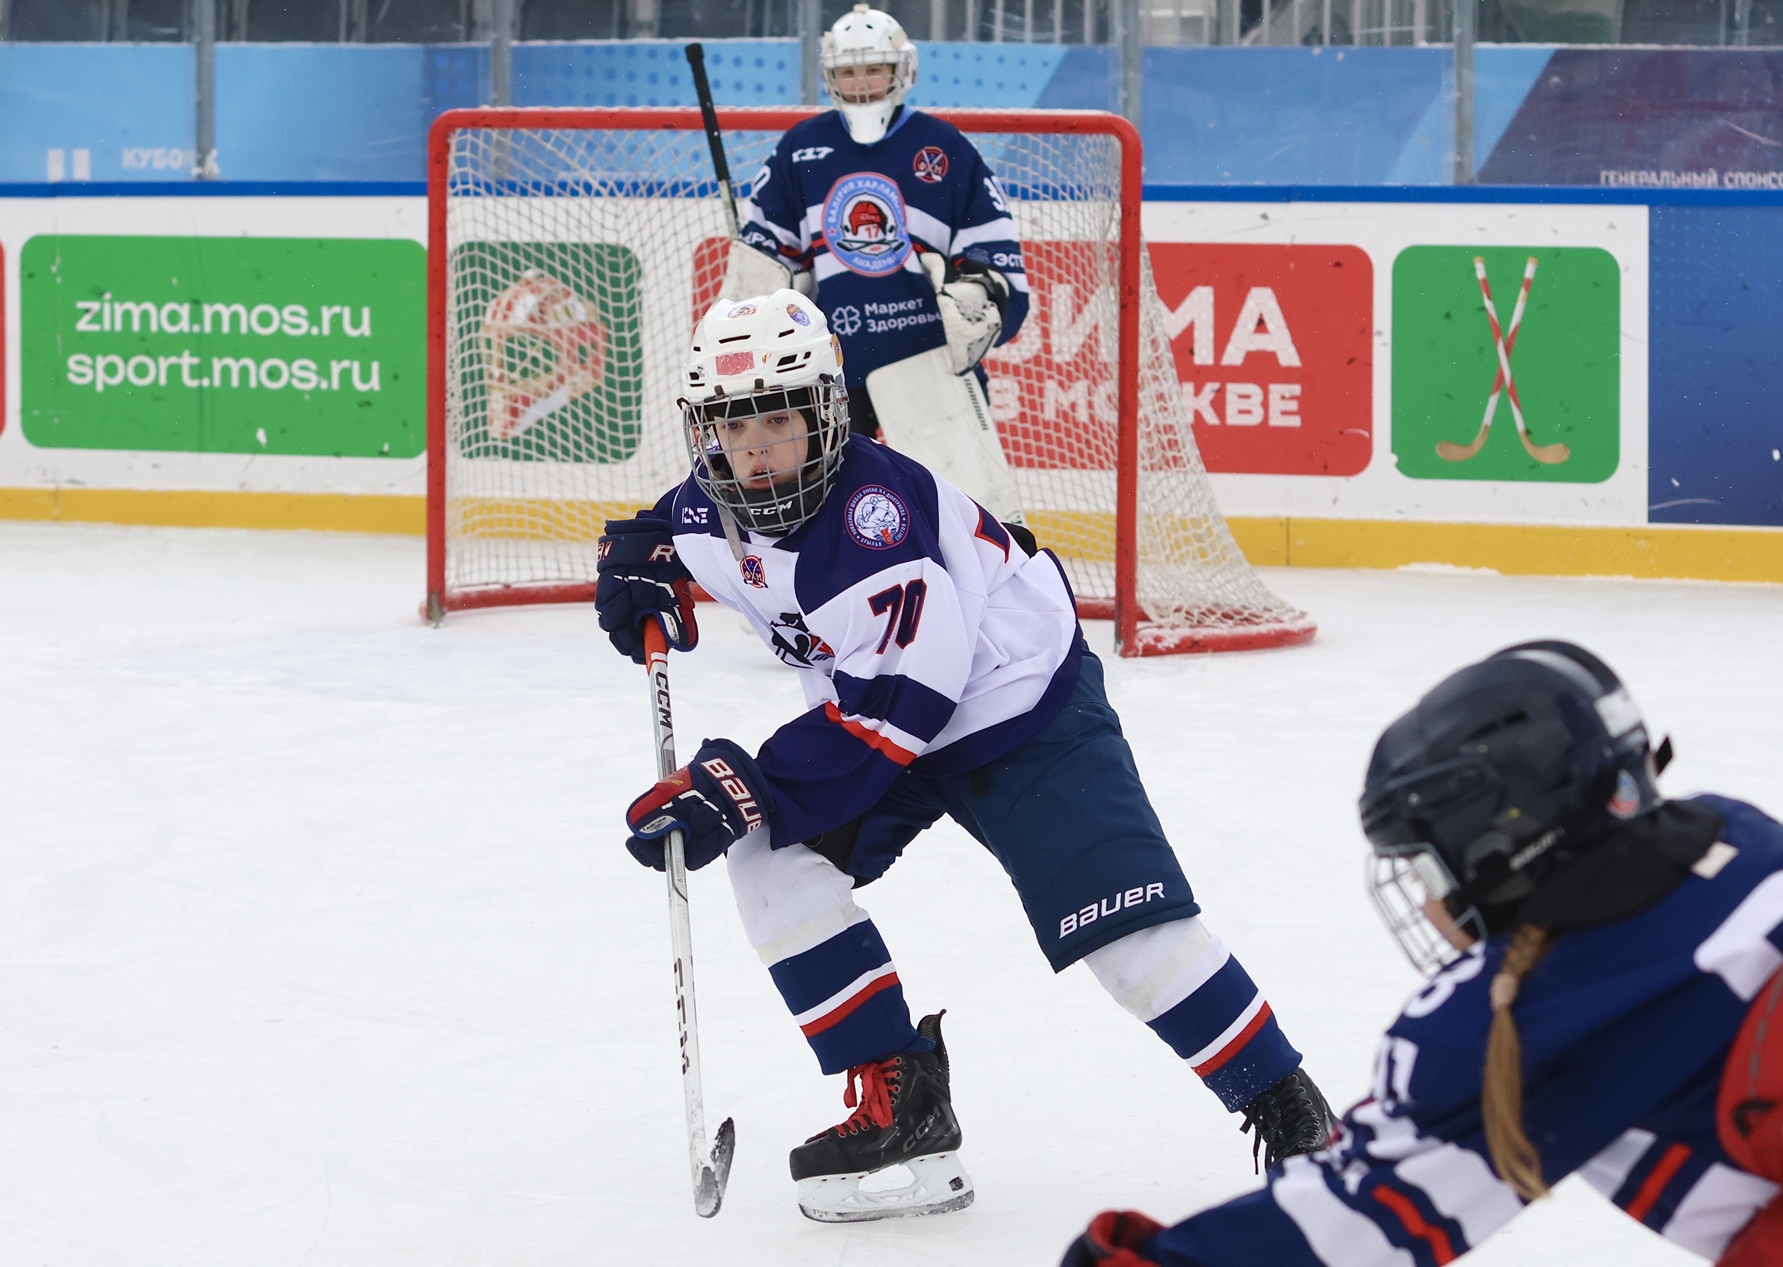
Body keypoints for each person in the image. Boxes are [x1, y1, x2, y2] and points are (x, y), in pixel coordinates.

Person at [594, 289, 1332, 1224]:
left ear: (827, 414)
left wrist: (741, 785)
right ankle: (899, 1096)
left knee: (1130, 937)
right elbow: (671, 532)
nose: (755, 452)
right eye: (733, 427)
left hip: (1017, 711)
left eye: (778, 421)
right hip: (879, 710)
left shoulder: (874, 530)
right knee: (771, 858)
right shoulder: (717, 502)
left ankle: (1301, 1123)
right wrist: (643, 565)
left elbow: (893, 719)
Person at [1062, 640, 1783, 1267]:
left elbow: (1345, 1229)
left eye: (1428, 869)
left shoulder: (1524, 1015)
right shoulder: (1743, 834)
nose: (1430, 906)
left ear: (1503, 847)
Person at [717, 3, 1026, 521]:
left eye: (873, 68)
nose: (860, 82)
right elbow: (769, 255)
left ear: (901, 70)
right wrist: (764, 286)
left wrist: (978, 294)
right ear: (830, 76)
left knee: (959, 515)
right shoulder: (801, 148)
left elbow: (995, 254)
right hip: (828, 369)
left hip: (927, 363)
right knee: (821, 517)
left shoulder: (944, 146)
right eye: (847, 71)